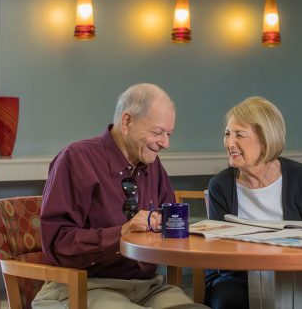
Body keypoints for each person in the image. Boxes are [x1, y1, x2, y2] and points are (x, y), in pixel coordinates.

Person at [34, 83, 207, 309]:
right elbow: (57, 242)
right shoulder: (76, 159)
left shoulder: (152, 165)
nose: (165, 143)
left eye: (169, 134)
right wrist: (121, 234)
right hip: (86, 286)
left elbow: (169, 224)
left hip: (148, 288)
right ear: (127, 121)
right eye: (157, 132)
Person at [204, 96, 302, 309]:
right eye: (227, 134)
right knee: (228, 302)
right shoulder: (221, 185)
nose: (229, 143)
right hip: (238, 277)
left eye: (239, 135)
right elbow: (219, 253)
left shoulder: (299, 175)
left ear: (265, 141)